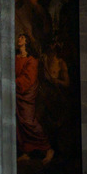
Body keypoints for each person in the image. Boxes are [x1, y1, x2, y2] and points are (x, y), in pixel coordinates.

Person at [15, 33, 54, 164]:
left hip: (26, 93)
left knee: (28, 121)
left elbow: (29, 79)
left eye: (21, 37)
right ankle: (27, 152)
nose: (19, 39)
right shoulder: (16, 58)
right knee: (19, 123)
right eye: (19, 37)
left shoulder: (32, 60)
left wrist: (14, 82)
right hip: (17, 92)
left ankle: (48, 149)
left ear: (26, 42)